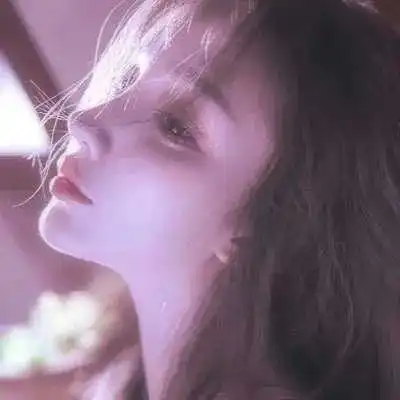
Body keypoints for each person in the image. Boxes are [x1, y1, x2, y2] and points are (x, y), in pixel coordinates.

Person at [38, 0, 400, 398]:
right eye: (127, 79)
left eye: (175, 127)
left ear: (272, 222)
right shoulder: (120, 380)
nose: (83, 121)